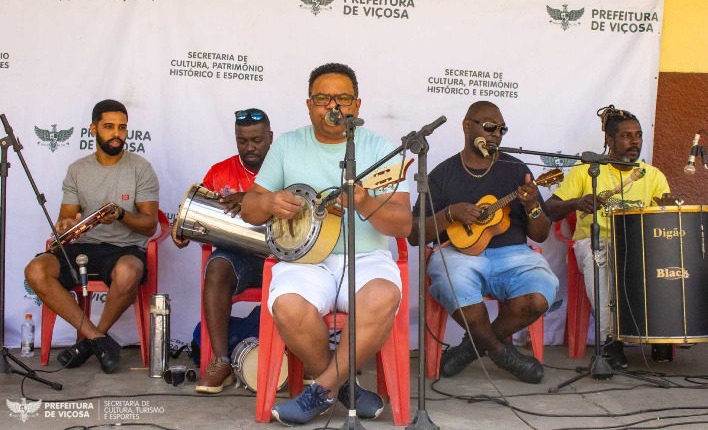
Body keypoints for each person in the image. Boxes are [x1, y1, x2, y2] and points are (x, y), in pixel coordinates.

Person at [241, 63, 412, 426]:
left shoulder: (380, 149)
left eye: (343, 98)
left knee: (382, 297)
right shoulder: (287, 145)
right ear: (309, 104)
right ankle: (342, 387)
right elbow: (250, 208)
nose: (333, 105)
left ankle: (319, 392)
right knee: (286, 306)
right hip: (304, 262)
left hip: (366, 258)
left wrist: (366, 203)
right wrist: (271, 202)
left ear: (358, 104)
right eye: (322, 98)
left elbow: (403, 224)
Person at [409, 100, 558, 384]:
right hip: (458, 254)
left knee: (539, 296)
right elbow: (415, 235)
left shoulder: (516, 170)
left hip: (513, 254)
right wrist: (450, 213)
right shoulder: (442, 174)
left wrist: (532, 207)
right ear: (467, 126)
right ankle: (501, 353)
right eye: (490, 127)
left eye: (502, 130)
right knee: (457, 283)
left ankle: (470, 349)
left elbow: (540, 234)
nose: (496, 135)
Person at [24, 99, 159, 374]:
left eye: (122, 127)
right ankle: (96, 339)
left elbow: (149, 226)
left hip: (124, 248)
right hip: (83, 246)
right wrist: (66, 225)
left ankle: (88, 342)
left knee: (129, 271)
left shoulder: (141, 168)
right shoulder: (77, 169)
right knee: (36, 270)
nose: (116, 134)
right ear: (93, 129)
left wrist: (121, 214)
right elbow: (67, 218)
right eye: (109, 127)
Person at [547, 106, 675, 368]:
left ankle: (663, 333)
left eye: (638, 135)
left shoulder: (652, 175)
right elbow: (549, 209)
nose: (635, 141)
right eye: (627, 136)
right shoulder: (587, 172)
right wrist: (576, 202)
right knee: (602, 259)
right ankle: (610, 340)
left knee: (668, 259)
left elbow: (663, 221)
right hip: (595, 242)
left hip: (638, 244)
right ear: (609, 141)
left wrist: (667, 208)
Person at [171, 108, 273, 394]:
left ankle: (301, 359)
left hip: (279, 258)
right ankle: (221, 360)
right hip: (238, 258)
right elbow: (194, 214)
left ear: (270, 138)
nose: (249, 147)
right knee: (216, 268)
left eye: (257, 140)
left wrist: (253, 200)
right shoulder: (219, 172)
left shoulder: (286, 167)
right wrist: (181, 231)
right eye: (242, 141)